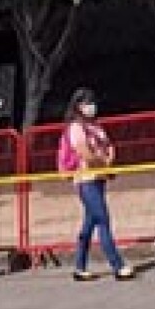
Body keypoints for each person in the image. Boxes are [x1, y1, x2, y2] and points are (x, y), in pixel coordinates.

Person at [61, 88, 133, 281]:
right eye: (86, 103)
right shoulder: (76, 127)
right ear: (78, 106)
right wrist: (102, 161)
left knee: (89, 223)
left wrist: (109, 159)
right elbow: (84, 152)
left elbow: (109, 145)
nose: (91, 107)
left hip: (99, 178)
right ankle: (118, 265)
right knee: (102, 219)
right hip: (85, 179)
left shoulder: (96, 126)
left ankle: (79, 266)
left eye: (92, 102)